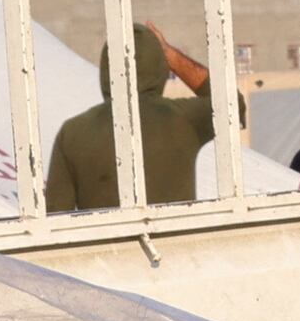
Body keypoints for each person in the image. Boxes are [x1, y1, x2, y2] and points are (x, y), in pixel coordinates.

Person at [45, 24, 217, 214]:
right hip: (172, 243)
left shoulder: (72, 133)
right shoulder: (183, 118)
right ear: (159, 68)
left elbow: (56, 216)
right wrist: (172, 57)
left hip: (107, 243)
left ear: (107, 70)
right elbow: (231, 105)